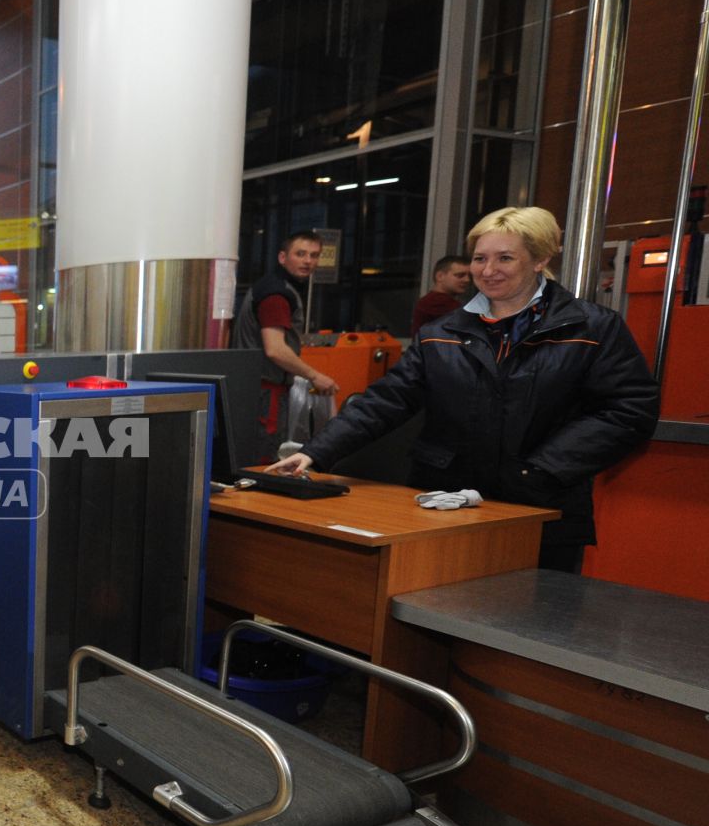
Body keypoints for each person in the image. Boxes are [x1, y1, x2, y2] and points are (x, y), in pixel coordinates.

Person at [271, 207, 659, 573]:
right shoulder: (441, 333)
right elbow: (387, 400)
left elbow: (630, 408)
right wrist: (315, 454)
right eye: (479, 259)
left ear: (539, 260)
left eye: (505, 258)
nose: (488, 271)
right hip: (444, 506)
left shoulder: (592, 328)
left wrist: (544, 470)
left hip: (541, 511)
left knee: (524, 628)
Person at [234, 229, 339, 463]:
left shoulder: (279, 287)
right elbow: (275, 349)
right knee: (262, 456)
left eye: (314, 255)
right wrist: (315, 376)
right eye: (300, 254)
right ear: (283, 257)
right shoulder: (277, 294)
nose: (308, 261)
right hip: (264, 387)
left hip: (259, 385)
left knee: (263, 450)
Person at [411, 253, 474, 333]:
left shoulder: (431, 301)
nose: (467, 280)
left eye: (470, 276)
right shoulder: (436, 302)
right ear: (440, 276)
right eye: (460, 275)